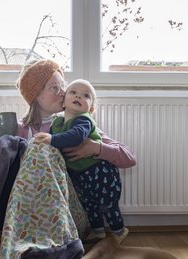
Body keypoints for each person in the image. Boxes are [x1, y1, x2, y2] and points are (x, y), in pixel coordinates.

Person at [0, 59, 136, 259]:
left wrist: (96, 148)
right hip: (14, 217)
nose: (63, 92)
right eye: (55, 87)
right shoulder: (18, 129)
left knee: (40, 148)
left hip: (64, 216)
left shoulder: (75, 124)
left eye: (63, 86)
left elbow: (128, 157)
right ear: (36, 95)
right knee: (11, 145)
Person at [34, 79, 128, 244]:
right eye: (73, 92)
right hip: (80, 174)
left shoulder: (83, 120)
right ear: (63, 101)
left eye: (86, 95)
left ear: (90, 108)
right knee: (89, 205)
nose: (78, 96)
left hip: (100, 171)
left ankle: (119, 231)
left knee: (107, 205)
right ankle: (98, 232)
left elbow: (76, 136)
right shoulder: (56, 123)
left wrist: (51, 139)